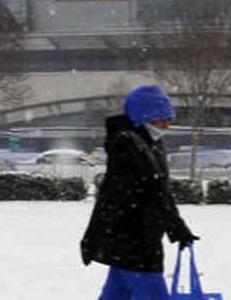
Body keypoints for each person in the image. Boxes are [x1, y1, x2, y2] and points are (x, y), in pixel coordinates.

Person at [80, 85, 198, 300]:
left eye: (168, 120)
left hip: (135, 239)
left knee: (116, 293)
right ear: (145, 117)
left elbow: (161, 190)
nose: (166, 126)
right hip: (135, 241)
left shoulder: (151, 143)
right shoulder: (129, 144)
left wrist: (178, 228)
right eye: (161, 120)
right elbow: (114, 194)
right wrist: (92, 238)